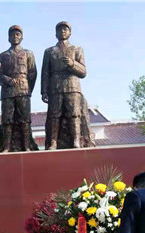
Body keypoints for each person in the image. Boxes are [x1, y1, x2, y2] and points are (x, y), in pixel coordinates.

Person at [41, 21, 93, 149]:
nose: (62, 32)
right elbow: (45, 72)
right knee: (54, 115)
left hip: (72, 86)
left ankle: (76, 140)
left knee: (74, 114)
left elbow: (83, 72)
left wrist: (72, 64)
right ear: (55, 34)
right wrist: (44, 91)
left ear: (70, 33)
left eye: (65, 29)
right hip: (55, 87)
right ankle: (53, 142)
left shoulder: (76, 49)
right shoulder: (49, 51)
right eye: (60, 30)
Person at [0, 25, 37, 152]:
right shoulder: (2, 56)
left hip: (23, 91)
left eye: (17, 34)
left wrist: (28, 90)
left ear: (22, 37)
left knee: (25, 120)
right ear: (8, 38)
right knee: (7, 120)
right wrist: (7, 80)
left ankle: (27, 146)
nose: (15, 36)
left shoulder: (28, 54)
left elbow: (32, 74)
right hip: (7, 91)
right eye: (12, 34)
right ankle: (6, 147)